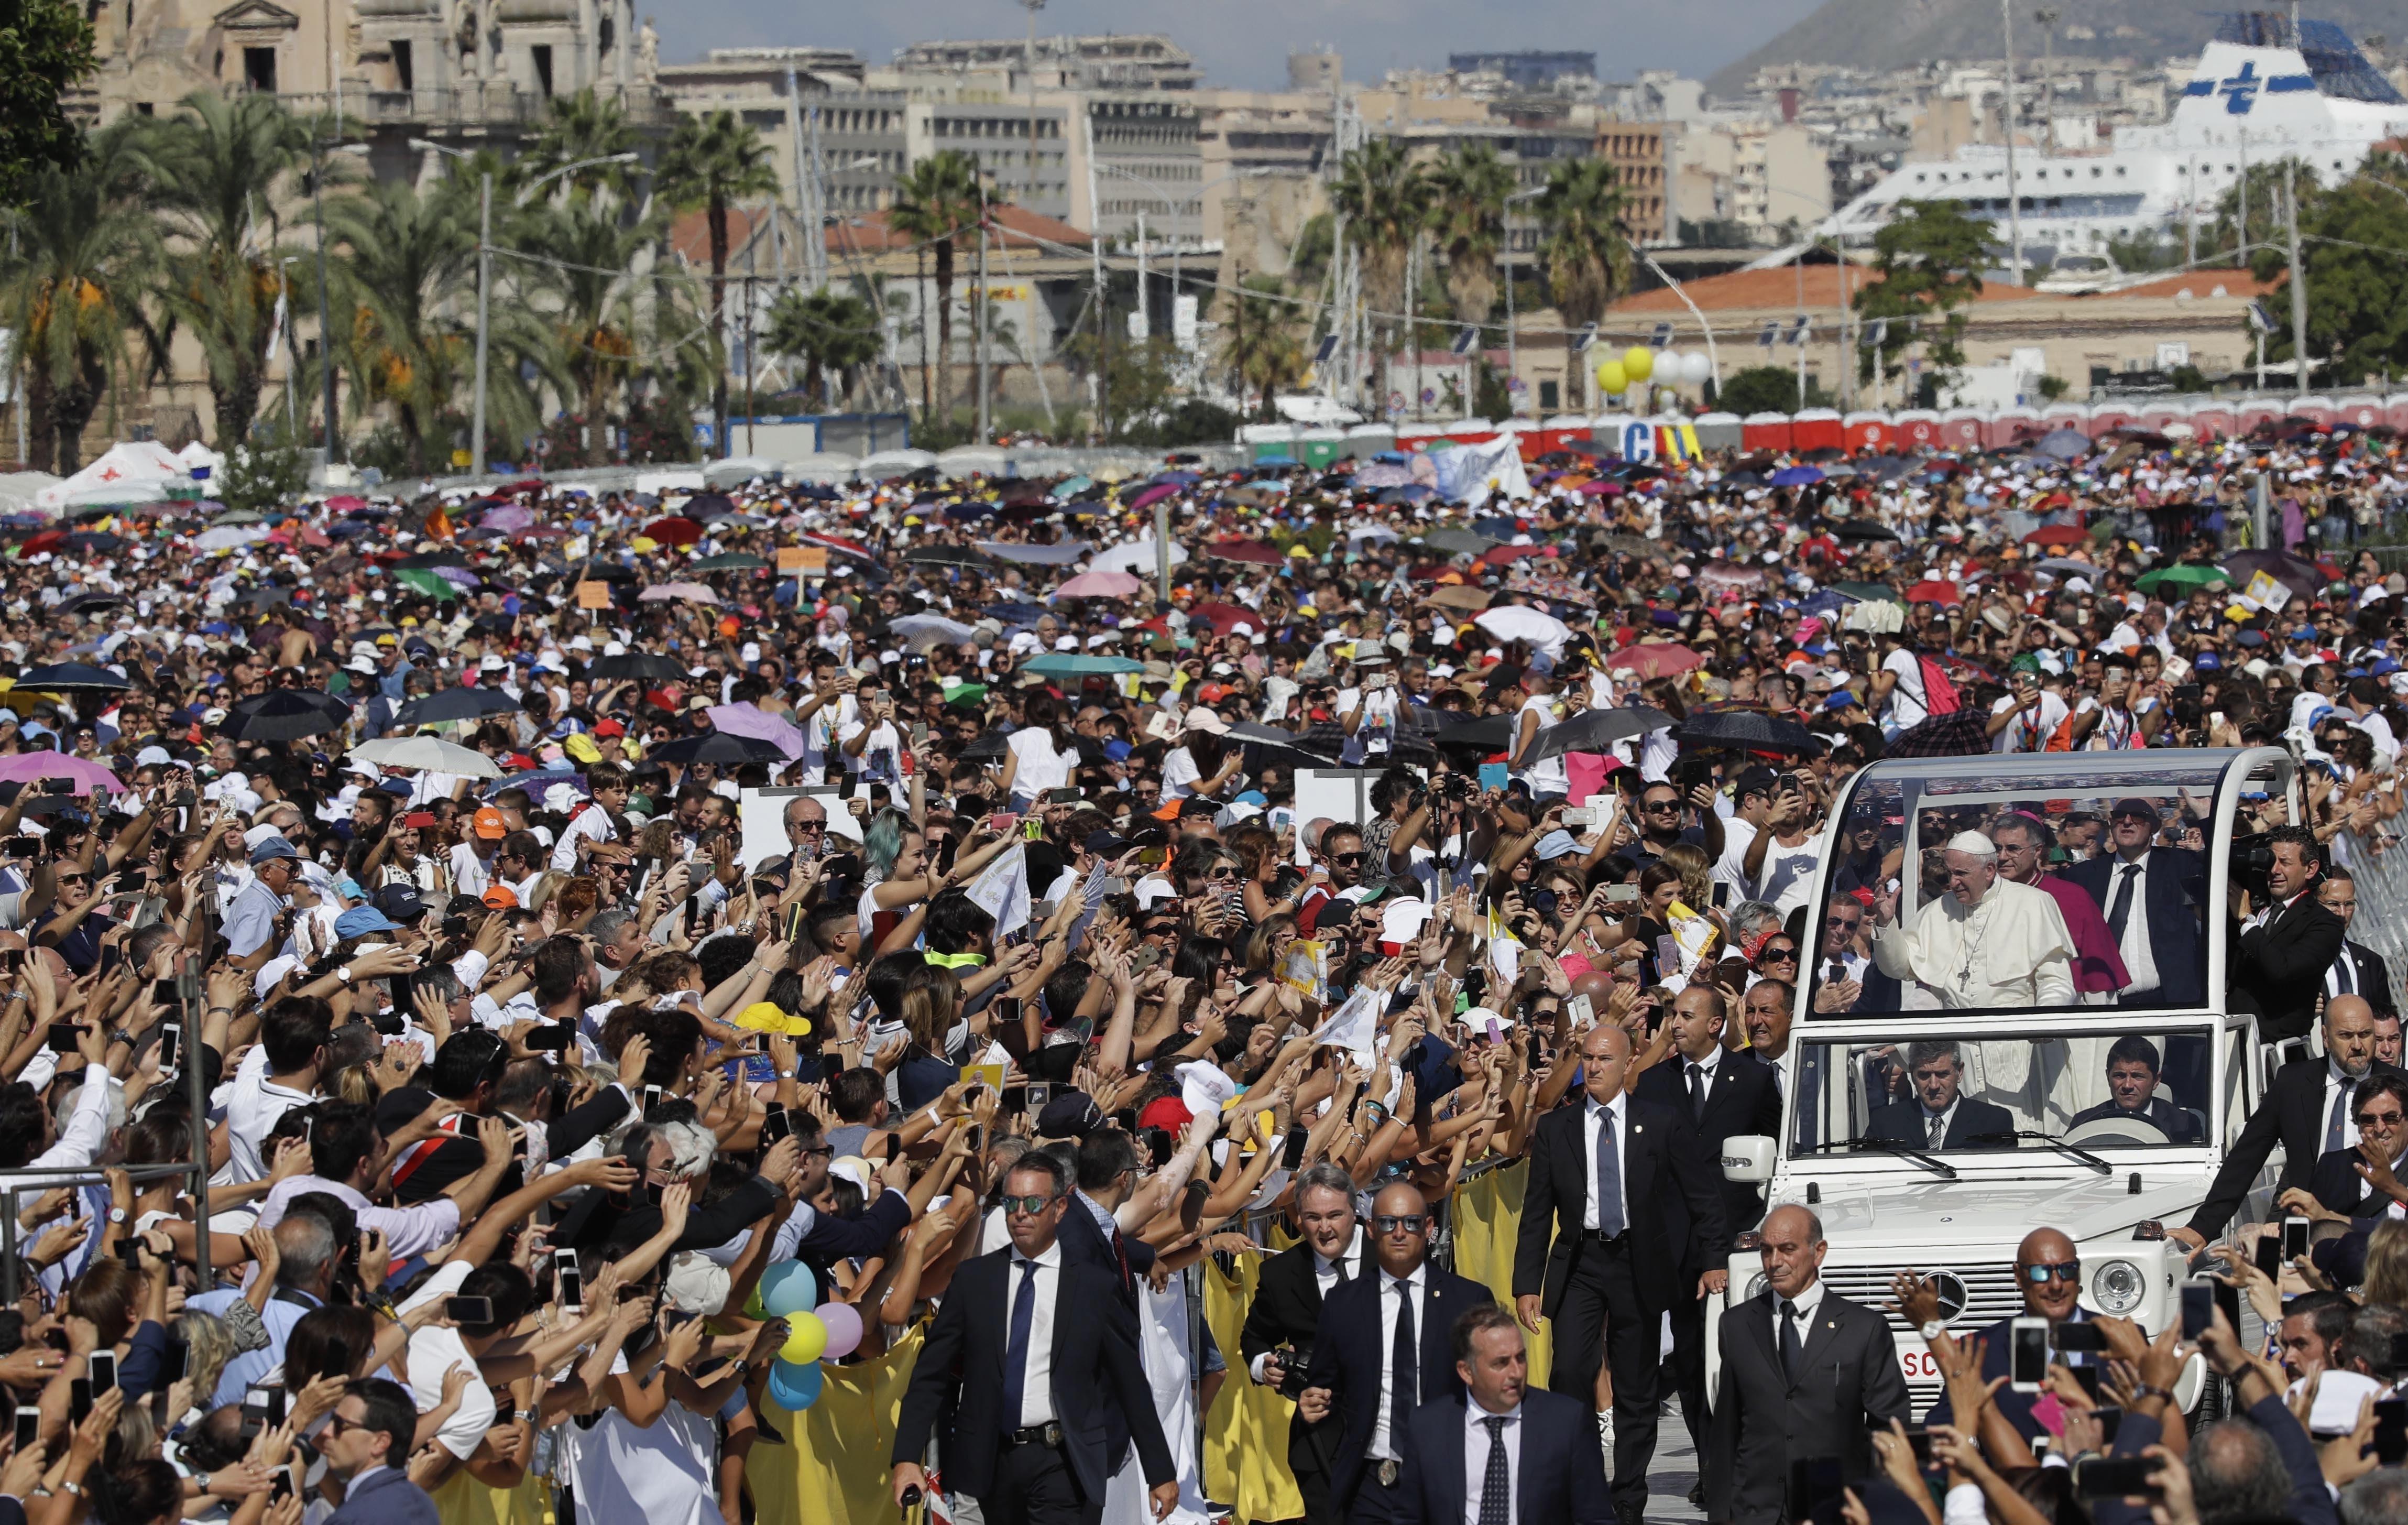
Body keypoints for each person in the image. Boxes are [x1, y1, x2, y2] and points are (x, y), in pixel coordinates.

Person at [1511, 1024, 1728, 1525]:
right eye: (1588, 1057)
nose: (1594, 1067)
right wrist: (1527, 1284)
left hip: (1639, 1264)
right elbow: (1537, 1212)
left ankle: (1628, 1496)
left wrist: (1714, 1258)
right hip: (1580, 1263)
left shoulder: (1661, 1123)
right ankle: (1577, 1481)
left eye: (1606, 1058)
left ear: (1628, 1063)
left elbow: (1702, 1198)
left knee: (1635, 1386)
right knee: (1568, 1373)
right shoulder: (1557, 1129)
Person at [890, 1151, 1179, 1525]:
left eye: (1033, 1203)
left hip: (1066, 1460)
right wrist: (907, 1458)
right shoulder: (974, 1281)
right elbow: (930, 1373)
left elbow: (1129, 1380)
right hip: (991, 1462)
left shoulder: (1093, 1286)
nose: (1020, 1213)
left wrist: (1159, 1470)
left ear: (1060, 1209)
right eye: (1011, 1202)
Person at [1630, 985, 1779, 1467]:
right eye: (1674, 1014)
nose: (1675, 1023)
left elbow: (1773, 1152)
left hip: (1737, 1241)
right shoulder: (1654, 1083)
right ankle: (1710, 1464)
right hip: (1675, 1245)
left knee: (1741, 1353)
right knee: (1691, 1360)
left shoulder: (1753, 1080)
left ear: (1715, 1024)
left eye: (1686, 1016)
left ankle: (1748, 1458)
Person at [1296, 1182, 1493, 1525]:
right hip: (1371, 1480)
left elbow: (1492, 1391)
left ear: (1429, 1227)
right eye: (1388, 1222)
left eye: (1411, 1223)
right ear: (1370, 1229)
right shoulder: (1344, 1304)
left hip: (1448, 1475)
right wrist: (1311, 1404)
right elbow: (1325, 1388)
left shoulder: (1469, 1301)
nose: (1399, 1232)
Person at [1704, 1204, 1909, 1525]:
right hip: (1756, 1511)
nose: (1774, 1263)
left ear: (1818, 1252)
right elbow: (1726, 1431)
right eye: (1766, 1251)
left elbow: (1890, 1429)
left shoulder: (1862, 1329)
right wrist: (1720, 1514)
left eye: (1787, 1250)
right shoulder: (1736, 1325)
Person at [2179, 994, 2406, 1249]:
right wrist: (2201, 1228)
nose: (2357, 1045)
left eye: (2365, 1034)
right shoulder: (2293, 1084)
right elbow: (2247, 1156)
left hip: (2375, 1231)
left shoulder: (2401, 1088)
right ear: (2325, 1037)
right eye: (2345, 1036)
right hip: (2303, 1229)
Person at [1388, 1304, 1611, 1525]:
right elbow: (1408, 1516)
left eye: (1521, 1358)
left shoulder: (1564, 1421)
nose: (1516, 1372)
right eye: (1501, 1363)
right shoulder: (1429, 1426)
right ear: (1466, 1371)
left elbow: (1595, 1516)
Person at [1239, 1163, 1371, 1525]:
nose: (1324, 1228)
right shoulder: (1281, 1274)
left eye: (1334, 1215)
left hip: (1390, 1433)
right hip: (1318, 1437)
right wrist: (1264, 1366)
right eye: (1313, 1217)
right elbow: (1253, 1337)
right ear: (1298, 1218)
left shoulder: (1393, 1255)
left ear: (1354, 1209)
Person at [1904, 1226, 2094, 1443]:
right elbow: (1942, 1435)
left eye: (2067, 1269)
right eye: (2040, 1272)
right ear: (2018, 1276)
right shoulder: (1981, 1351)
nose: (2056, 1285)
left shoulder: (2118, 1340)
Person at [1869, 833, 2077, 1008]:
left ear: (1989, 871)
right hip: (1960, 1043)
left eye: (1962, 874)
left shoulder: (2034, 903)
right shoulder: (1938, 910)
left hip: (2017, 1040)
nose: (1953, 882)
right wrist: (1886, 924)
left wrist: (2046, 1017)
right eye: (1950, 873)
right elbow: (1899, 967)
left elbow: (2055, 979)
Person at [2060, 798, 2206, 1007]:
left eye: (2138, 816)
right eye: (2120, 816)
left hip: (2169, 1002)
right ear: (2111, 823)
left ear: (2154, 826)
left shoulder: (2179, 866)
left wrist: (2204, 816)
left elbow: (2225, 870)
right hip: (2103, 1003)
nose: (2127, 821)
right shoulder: (2082, 876)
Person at [1989, 811, 2130, 998]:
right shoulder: (1980, 895)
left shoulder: (2071, 896)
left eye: (2013, 848)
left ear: (2037, 851)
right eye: (1997, 848)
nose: (2002, 857)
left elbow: (2096, 971)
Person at [2231, 824, 2349, 1045]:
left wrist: (2247, 921)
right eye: (2270, 861)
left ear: (2311, 869)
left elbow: (2283, 970)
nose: (2274, 870)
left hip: (2275, 1051)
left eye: (2285, 863)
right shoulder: (2254, 908)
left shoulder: (2325, 924)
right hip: (2229, 1038)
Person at [323, 1378, 441, 1525]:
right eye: (331, 1420)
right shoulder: (424, 1504)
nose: (326, 1431)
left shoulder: (349, 1520)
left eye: (341, 1425)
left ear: (381, 1442)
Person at [1863, 1040, 2017, 1151]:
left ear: (1960, 1072)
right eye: (1924, 1075)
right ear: (1913, 1073)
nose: (1934, 1085)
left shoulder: (1994, 1123)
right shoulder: (1885, 1123)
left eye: (1943, 1074)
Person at [2067, 1033, 2205, 1143]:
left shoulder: (2184, 1125)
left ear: (2156, 1081)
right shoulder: (2084, 1124)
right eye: (2119, 1076)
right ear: (2108, 1077)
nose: (2127, 1085)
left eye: (2137, 1077)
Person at [2318, 868, 2396, 1019]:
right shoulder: (2297, 956)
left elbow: (2383, 1019)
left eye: (2349, 904)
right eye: (2333, 904)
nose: (2342, 913)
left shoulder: (2372, 963)